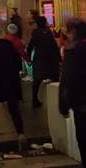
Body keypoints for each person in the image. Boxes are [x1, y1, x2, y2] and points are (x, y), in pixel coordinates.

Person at [59, 18, 86, 168]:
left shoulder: (73, 50)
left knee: (83, 136)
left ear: (74, 31)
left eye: (68, 31)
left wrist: (63, 105)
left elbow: (67, 80)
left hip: (82, 103)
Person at [27, 16, 61, 108]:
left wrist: (28, 58)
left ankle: (34, 100)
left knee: (37, 81)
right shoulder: (49, 33)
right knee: (55, 79)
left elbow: (30, 46)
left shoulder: (35, 33)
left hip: (39, 59)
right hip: (50, 60)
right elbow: (54, 46)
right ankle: (58, 99)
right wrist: (59, 59)